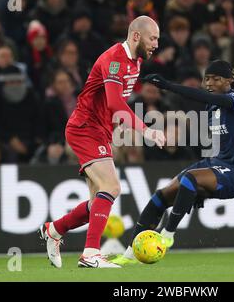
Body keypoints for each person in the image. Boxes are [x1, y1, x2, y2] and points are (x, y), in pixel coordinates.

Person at [38, 16, 165, 269]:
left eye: (158, 39)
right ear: (136, 36)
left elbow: (114, 106)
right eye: (153, 38)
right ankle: (90, 253)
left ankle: (54, 230)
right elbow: (115, 103)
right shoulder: (114, 59)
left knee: (98, 201)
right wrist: (145, 131)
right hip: (85, 128)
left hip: (101, 130)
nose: (156, 44)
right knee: (112, 186)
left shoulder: (136, 62)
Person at [110, 60, 234, 266]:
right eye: (207, 78)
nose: (210, 83)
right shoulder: (212, 106)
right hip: (216, 162)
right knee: (160, 196)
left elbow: (201, 96)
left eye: (216, 79)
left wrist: (168, 86)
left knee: (190, 178)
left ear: (229, 81)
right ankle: (130, 255)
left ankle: (168, 235)